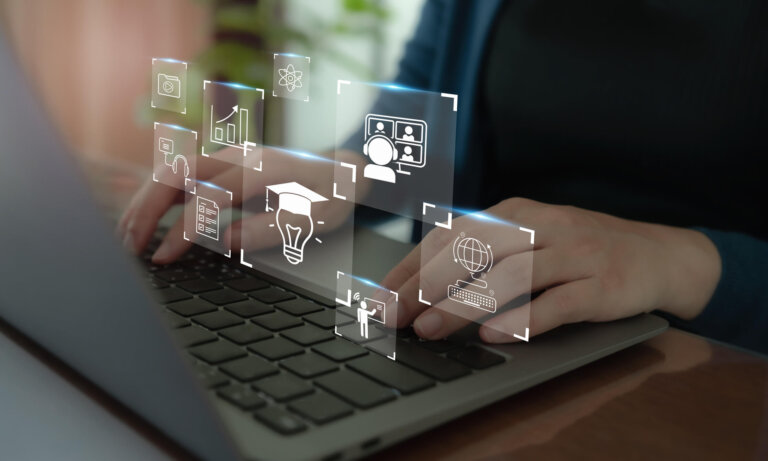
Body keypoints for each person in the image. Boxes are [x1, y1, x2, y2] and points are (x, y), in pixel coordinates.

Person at [119, 0, 768, 354]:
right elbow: (424, 94)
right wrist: (350, 169)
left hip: (702, 373)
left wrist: (676, 260)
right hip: (470, 339)